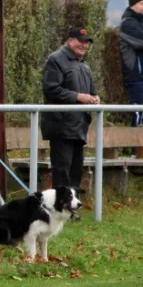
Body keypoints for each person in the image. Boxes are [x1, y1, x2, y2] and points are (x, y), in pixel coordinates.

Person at [41, 27, 99, 193]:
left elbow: (91, 92)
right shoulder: (56, 60)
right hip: (61, 125)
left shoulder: (84, 66)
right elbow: (51, 89)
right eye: (81, 41)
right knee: (62, 171)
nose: (84, 45)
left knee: (75, 170)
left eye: (86, 42)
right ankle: (60, 208)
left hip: (79, 127)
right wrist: (78, 97)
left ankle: (71, 209)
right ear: (70, 40)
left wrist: (95, 98)